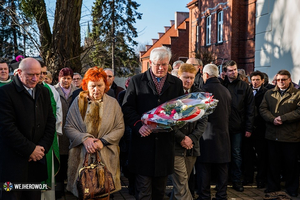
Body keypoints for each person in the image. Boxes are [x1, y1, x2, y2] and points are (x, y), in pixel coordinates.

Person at [122, 46, 184, 200]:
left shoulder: (176, 83)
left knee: (160, 191)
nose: (161, 68)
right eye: (158, 64)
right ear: (150, 63)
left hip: (164, 145)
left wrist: (173, 122)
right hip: (143, 145)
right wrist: (138, 126)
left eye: (165, 64)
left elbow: (180, 110)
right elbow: (127, 108)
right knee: (143, 190)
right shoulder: (137, 81)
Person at [64, 67, 124, 198]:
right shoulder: (78, 102)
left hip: (106, 157)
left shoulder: (113, 103)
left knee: (104, 193)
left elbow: (120, 128)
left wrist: (102, 141)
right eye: (92, 86)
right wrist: (85, 139)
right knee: (84, 193)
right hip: (81, 158)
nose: (96, 90)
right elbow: (68, 127)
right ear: (86, 85)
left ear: (105, 85)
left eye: (99, 85)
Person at [0, 58, 55, 200]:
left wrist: (41, 148)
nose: (35, 78)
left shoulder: (43, 91)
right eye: (30, 74)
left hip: (36, 162)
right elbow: (6, 128)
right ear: (19, 72)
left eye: (38, 74)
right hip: (13, 164)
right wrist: (30, 149)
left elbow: (50, 122)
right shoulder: (5, 93)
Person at [260, 70, 300, 197]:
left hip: (290, 136)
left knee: (291, 165)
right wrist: (272, 119)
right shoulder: (269, 93)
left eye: (284, 79)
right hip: (273, 134)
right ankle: (273, 187)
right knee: (273, 163)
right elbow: (263, 108)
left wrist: (283, 118)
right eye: (278, 80)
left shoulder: (297, 94)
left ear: (289, 80)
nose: (281, 82)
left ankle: (292, 189)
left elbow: (299, 111)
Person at [170, 63, 207, 200]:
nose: (188, 81)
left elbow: (203, 120)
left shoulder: (199, 95)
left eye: (191, 78)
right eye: (185, 77)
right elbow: (168, 120)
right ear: (179, 76)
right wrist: (181, 138)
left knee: (182, 184)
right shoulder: (172, 93)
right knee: (181, 182)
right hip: (175, 145)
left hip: (192, 146)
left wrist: (192, 138)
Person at [196, 64, 232, 200]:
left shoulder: (202, 91)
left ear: (205, 75)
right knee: (222, 166)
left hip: (206, 135)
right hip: (224, 134)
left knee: (204, 166)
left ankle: (204, 195)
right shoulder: (226, 91)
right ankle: (222, 195)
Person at [222, 60, 254, 192]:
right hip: (222, 127)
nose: (233, 72)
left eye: (234, 69)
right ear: (225, 72)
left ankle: (236, 180)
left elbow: (250, 109)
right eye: (230, 70)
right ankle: (223, 181)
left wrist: (248, 128)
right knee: (223, 155)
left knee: (236, 154)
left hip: (238, 128)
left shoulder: (244, 86)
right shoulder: (222, 85)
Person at [38, 61, 62, 200]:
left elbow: (58, 112)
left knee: (48, 171)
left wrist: (54, 133)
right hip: (31, 141)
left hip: (49, 138)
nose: (41, 76)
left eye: (43, 73)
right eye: (38, 72)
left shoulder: (51, 89)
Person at [54, 67, 77, 198]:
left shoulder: (77, 91)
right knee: (60, 160)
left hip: (73, 130)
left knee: (71, 159)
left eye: (69, 78)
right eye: (64, 78)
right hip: (60, 131)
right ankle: (59, 188)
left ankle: (71, 186)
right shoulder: (54, 90)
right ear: (59, 78)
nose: (66, 80)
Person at [243, 71, 268, 188]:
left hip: (260, 128)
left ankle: (261, 179)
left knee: (261, 155)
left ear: (262, 80)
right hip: (247, 128)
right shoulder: (247, 91)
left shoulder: (266, 93)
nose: (255, 82)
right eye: (253, 80)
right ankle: (248, 178)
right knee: (247, 154)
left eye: (257, 80)